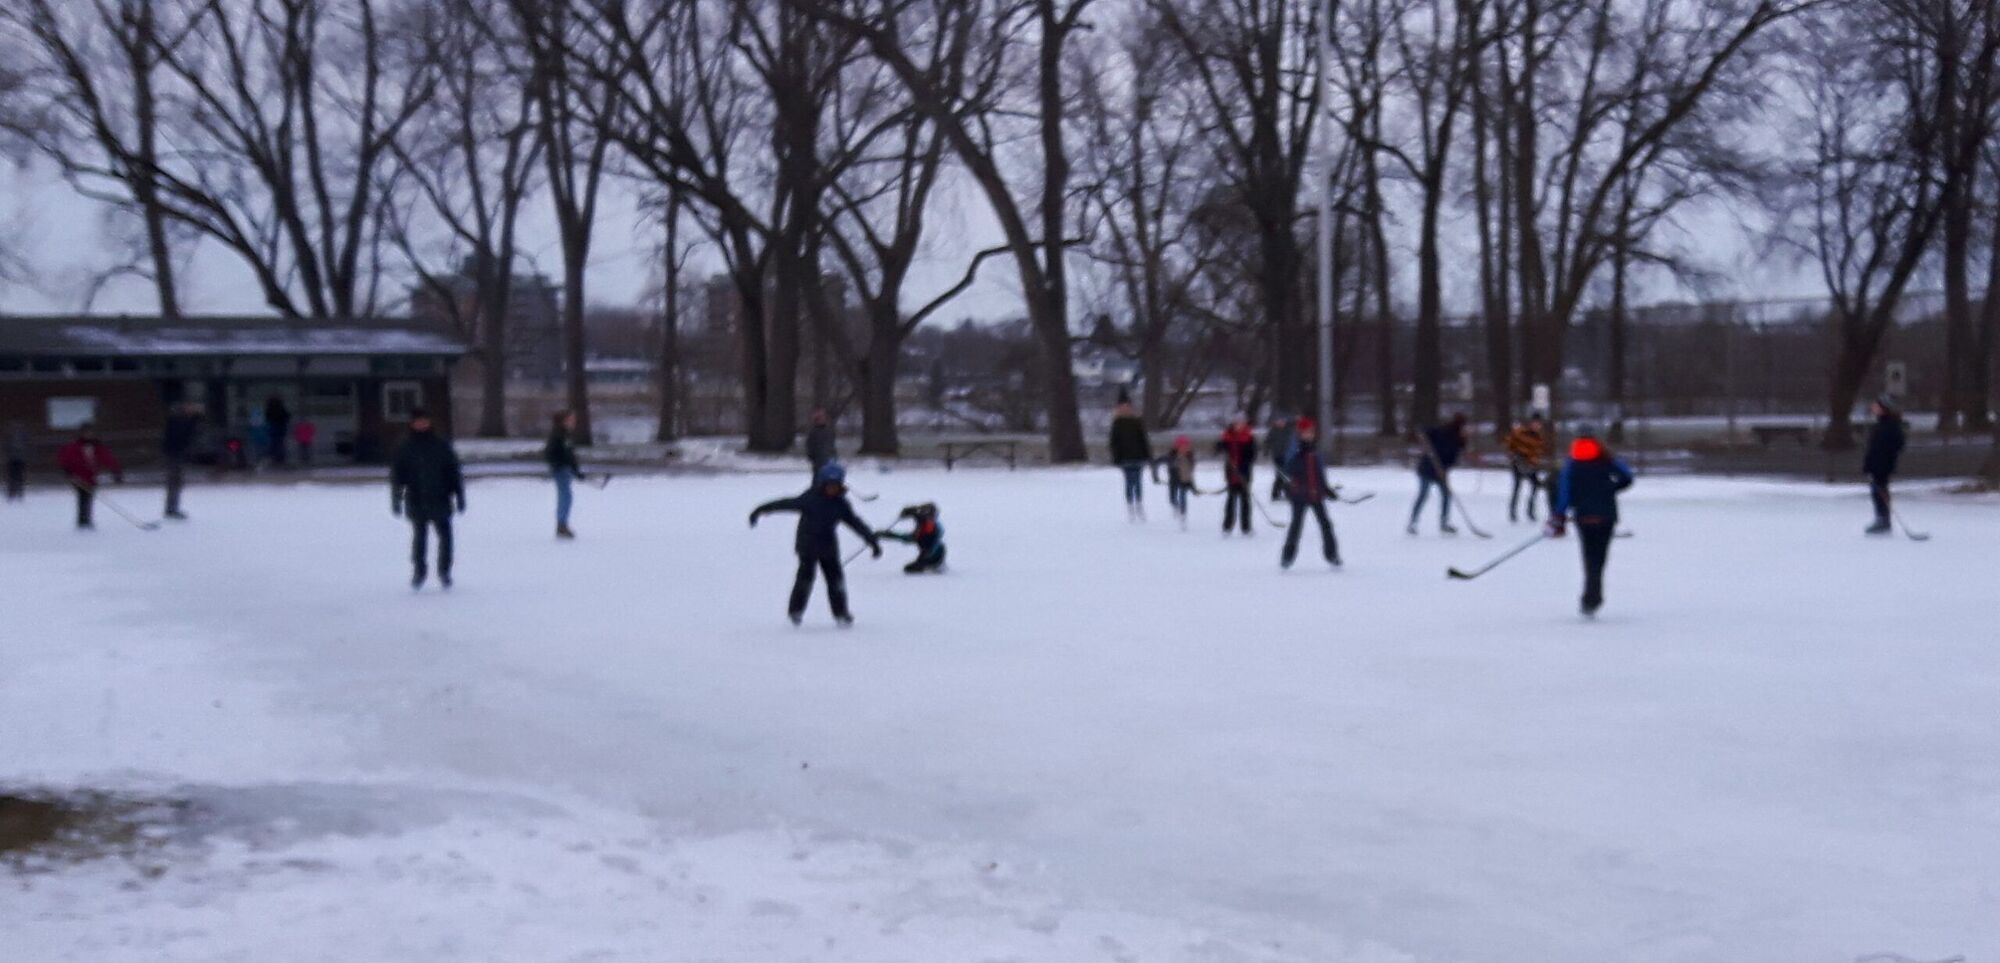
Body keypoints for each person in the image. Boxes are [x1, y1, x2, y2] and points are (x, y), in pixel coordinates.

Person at [749, 462, 882, 626]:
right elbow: (784, 503)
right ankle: (795, 612)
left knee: (836, 581)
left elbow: (855, 523)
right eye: (829, 485)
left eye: (835, 485)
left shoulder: (841, 504)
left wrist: (872, 541)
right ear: (822, 483)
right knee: (805, 579)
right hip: (807, 546)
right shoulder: (810, 499)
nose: (832, 489)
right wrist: (760, 510)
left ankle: (841, 614)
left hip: (828, 547)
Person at [1548, 424, 1635, 617]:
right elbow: (1627, 476)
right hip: (1606, 515)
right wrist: (1611, 489)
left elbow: (1564, 491)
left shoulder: (1572, 463)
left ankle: (1590, 598)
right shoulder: (1607, 458)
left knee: (1588, 557)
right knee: (1600, 558)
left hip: (1584, 515)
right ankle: (1594, 597)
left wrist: (1558, 515)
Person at [390, 409, 465, 589]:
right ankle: (419, 572)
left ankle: (444, 572)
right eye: (418, 421)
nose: (421, 424)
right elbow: (397, 474)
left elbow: (453, 471)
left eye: (424, 420)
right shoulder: (405, 446)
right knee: (419, 538)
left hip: (440, 497)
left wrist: (459, 495)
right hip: (417, 498)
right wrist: (396, 497)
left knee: (445, 538)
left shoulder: (441, 444)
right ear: (412, 423)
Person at [1279, 417, 1340, 569]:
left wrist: (1326, 489)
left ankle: (1332, 555)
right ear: (1300, 433)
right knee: (1296, 526)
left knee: (1326, 524)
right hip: (1299, 494)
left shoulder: (1314, 450)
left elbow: (1319, 472)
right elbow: (1287, 469)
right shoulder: (1295, 449)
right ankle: (1287, 557)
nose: (1309, 434)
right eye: (1306, 432)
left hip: (1316, 494)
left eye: (1311, 432)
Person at [1409, 413, 1469, 535]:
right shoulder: (1443, 431)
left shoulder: (1458, 441)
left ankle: (1444, 523)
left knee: (1446, 496)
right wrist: (1421, 433)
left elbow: (1452, 459)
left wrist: (1445, 470)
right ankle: (1413, 523)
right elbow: (1425, 433)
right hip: (1427, 468)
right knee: (1423, 495)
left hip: (1441, 472)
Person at [56, 425, 124, 530]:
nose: (89, 435)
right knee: (83, 497)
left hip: (91, 476)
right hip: (78, 476)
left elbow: (107, 458)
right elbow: (65, 458)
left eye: (91, 433)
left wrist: (115, 471)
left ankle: (86, 519)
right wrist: (67, 471)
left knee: (89, 497)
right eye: (86, 433)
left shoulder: (97, 446)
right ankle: (83, 521)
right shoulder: (74, 446)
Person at [1862, 396, 1907, 534]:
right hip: (1877, 463)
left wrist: (1883, 458)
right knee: (1877, 491)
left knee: (1880, 490)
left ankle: (1883, 519)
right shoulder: (1881, 424)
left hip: (1883, 464)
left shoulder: (1890, 425)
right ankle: (1881, 518)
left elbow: (1896, 444)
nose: (1873, 408)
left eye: (1876, 406)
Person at [1108, 398, 1153, 521]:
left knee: (1138, 482)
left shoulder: (1137, 422)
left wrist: (1147, 455)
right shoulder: (1117, 423)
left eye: (1127, 407)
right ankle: (1130, 506)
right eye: (1123, 407)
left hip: (1138, 457)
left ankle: (1139, 504)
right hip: (1125, 458)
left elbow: (1143, 440)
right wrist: (1116, 457)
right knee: (1129, 482)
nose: (1126, 409)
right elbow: (1114, 443)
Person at [544, 410, 586, 539]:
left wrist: (574, 469)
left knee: (566, 496)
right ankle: (562, 525)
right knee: (565, 497)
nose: (573, 421)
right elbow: (563, 454)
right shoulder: (561, 435)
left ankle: (562, 524)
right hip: (562, 469)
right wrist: (571, 468)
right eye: (571, 419)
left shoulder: (562, 434)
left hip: (563, 469)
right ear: (564, 421)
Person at [1503, 413, 1552, 523]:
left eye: (1539, 424)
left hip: (1531, 465)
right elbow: (1509, 442)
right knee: (1517, 487)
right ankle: (1513, 512)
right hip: (1518, 464)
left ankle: (1530, 511)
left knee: (1535, 487)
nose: (1537, 426)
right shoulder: (1520, 432)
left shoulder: (1538, 437)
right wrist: (1513, 455)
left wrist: (1536, 462)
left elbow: (1538, 452)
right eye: (1535, 423)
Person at [1216, 414, 1258, 535]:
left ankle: (1246, 527)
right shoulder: (1227, 436)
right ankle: (1227, 526)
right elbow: (1220, 448)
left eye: (1241, 423)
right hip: (1231, 474)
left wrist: (1243, 467)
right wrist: (1220, 447)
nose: (1238, 426)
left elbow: (1252, 455)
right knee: (1231, 500)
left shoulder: (1249, 437)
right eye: (1236, 423)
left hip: (1244, 474)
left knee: (1245, 501)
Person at [878, 502, 947, 574]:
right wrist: (889, 535)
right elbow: (912, 537)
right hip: (931, 555)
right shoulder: (928, 525)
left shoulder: (929, 526)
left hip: (932, 558)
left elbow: (914, 537)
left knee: (910, 569)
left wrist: (889, 535)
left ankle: (932, 567)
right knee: (910, 568)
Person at [161, 401, 203, 520]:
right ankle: (171, 508)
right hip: (173, 454)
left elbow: (188, 433)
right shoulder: (176, 421)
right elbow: (183, 434)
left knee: (176, 482)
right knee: (174, 481)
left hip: (176, 453)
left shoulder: (180, 420)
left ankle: (172, 507)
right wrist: (194, 419)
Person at [1152, 435, 1198, 530]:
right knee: (1172, 499)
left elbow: (1190, 473)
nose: (1184, 449)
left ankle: (1183, 516)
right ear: (1176, 447)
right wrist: (1155, 476)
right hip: (1173, 481)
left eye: (1186, 447)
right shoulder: (1170, 456)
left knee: (1183, 498)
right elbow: (1156, 463)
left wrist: (1193, 487)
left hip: (1184, 481)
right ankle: (1175, 506)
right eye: (1181, 447)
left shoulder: (1190, 458)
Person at [1265, 414, 1295, 502]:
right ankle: (1275, 493)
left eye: (1282, 421)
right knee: (1280, 475)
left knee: (1286, 474)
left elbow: (1293, 442)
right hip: (1277, 455)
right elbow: (1267, 441)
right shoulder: (1273, 431)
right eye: (1278, 421)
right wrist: (1266, 450)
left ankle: (1287, 493)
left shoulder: (1289, 431)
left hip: (1287, 456)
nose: (1280, 423)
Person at [804, 407, 837, 481]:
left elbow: (831, 444)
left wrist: (834, 455)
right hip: (818, 461)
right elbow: (809, 446)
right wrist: (812, 456)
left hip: (829, 459)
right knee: (818, 479)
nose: (822, 420)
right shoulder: (813, 432)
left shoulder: (829, 431)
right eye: (819, 418)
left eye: (823, 418)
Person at [264, 396, 292, 466]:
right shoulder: (281, 409)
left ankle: (273, 458)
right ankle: (279, 459)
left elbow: (267, 417)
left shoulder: (270, 409)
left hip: (273, 428)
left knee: (274, 444)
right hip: (280, 428)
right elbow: (287, 417)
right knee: (279, 444)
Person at [5, 420, 28, 501]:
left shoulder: (22, 436)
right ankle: (14, 493)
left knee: (17, 477)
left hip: (18, 459)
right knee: (15, 477)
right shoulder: (11, 436)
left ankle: (16, 493)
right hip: (14, 459)